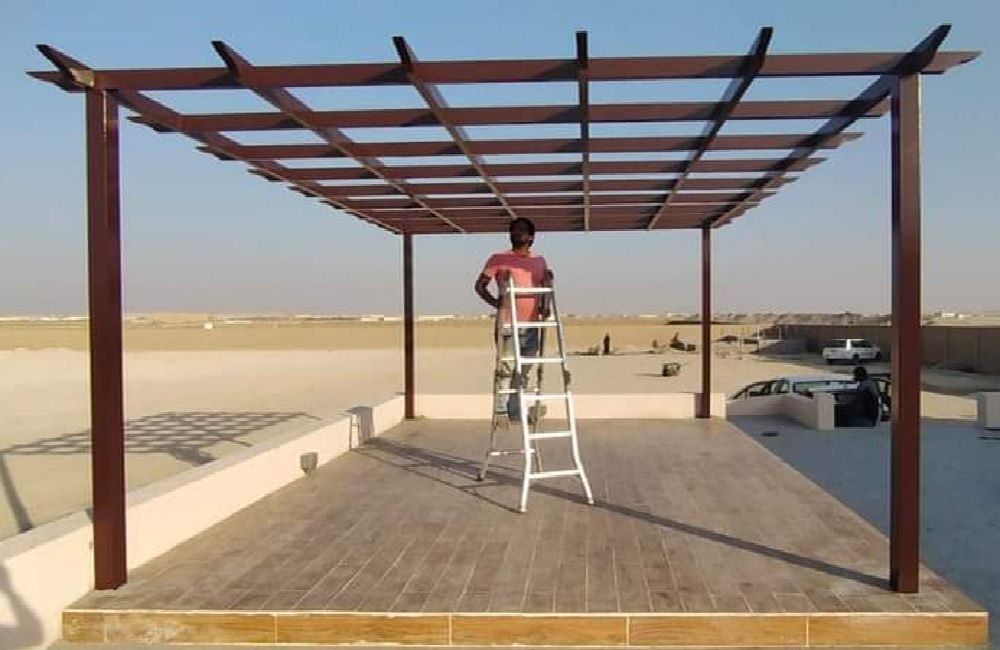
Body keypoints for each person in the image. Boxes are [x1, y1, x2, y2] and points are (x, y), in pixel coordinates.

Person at [474, 217, 550, 421]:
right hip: (508, 324)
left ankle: (515, 411)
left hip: (532, 324)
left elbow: (545, 287)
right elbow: (480, 286)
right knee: (505, 369)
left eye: (522, 230)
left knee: (523, 371)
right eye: (513, 230)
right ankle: (501, 412)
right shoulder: (499, 258)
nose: (517, 233)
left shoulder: (539, 261)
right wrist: (497, 303)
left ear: (531, 236)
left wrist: (545, 307)